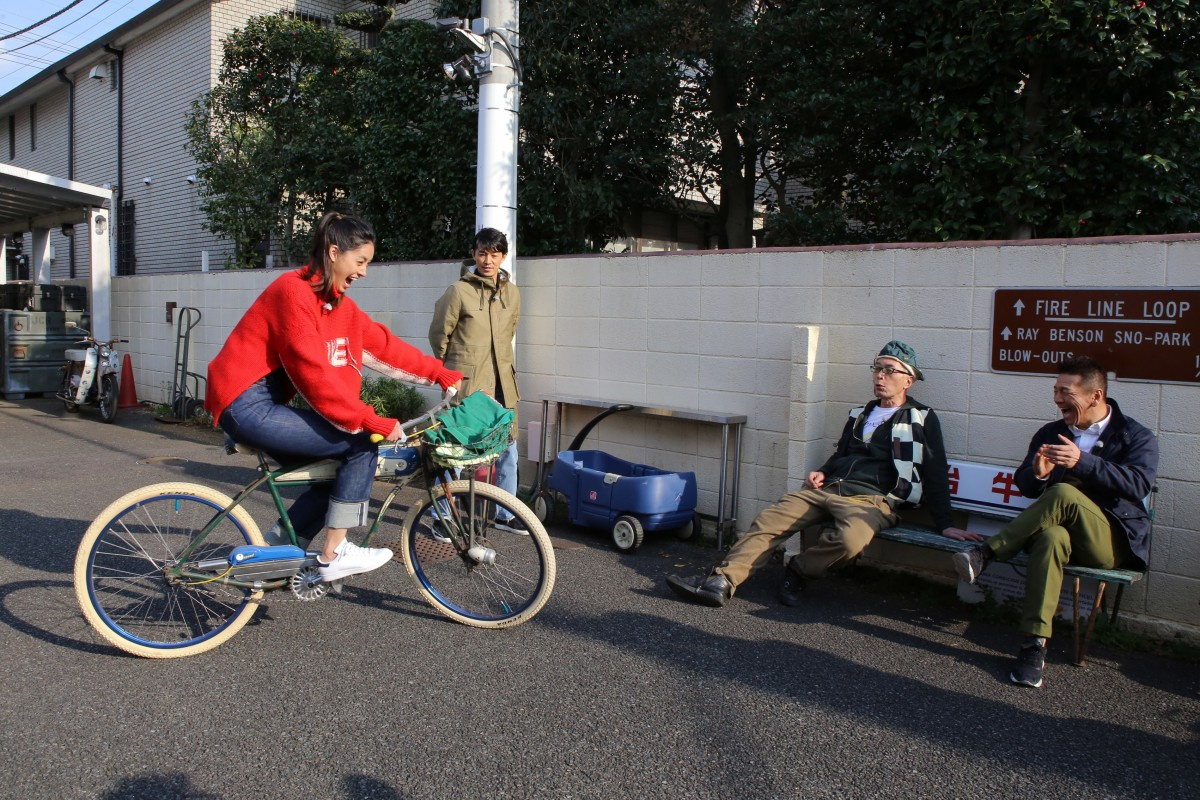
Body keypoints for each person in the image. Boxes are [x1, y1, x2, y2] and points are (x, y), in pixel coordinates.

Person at [206, 212, 463, 583]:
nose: (364, 272)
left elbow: (382, 345)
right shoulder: (292, 292)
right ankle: (334, 552)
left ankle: (274, 553)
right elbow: (312, 373)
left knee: (331, 472)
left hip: (263, 404)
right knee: (360, 446)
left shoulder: (336, 304)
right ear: (333, 252)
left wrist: (439, 373)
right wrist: (367, 420)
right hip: (245, 404)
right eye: (360, 262)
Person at [667, 341, 974, 607]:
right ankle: (721, 582)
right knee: (770, 519)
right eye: (876, 368)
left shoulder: (921, 418)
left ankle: (799, 571)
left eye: (889, 370)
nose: (880, 375)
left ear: (909, 380)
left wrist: (945, 524)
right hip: (830, 489)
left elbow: (935, 471)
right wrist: (823, 471)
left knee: (851, 541)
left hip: (873, 500)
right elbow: (841, 454)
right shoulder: (860, 414)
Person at [952, 356, 1157, 688]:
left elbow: (1138, 484)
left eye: (1066, 391)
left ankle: (986, 554)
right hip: (1062, 534)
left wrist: (1082, 462)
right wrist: (1036, 474)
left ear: (1095, 395)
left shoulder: (1135, 436)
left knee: (1062, 491)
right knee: (1050, 540)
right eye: (1055, 390)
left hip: (1109, 540)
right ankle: (1034, 646)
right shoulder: (1052, 432)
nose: (1058, 399)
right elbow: (1026, 483)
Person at [428, 227, 525, 533]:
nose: (488, 260)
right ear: (473, 254)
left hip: (502, 384)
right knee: (455, 452)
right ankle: (441, 517)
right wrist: (455, 371)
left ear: (503, 256)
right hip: (469, 386)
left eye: (494, 254)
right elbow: (438, 335)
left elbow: (509, 333)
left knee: (508, 450)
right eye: (482, 253)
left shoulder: (512, 293)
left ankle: (505, 515)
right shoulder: (459, 291)